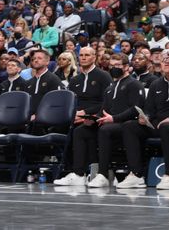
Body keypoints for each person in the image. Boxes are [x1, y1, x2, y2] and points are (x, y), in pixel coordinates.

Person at [56, 53, 143, 187]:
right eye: (112, 65)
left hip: (126, 124)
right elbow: (103, 110)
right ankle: (78, 174)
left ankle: (103, 174)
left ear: (127, 67)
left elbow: (135, 109)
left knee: (105, 130)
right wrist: (93, 119)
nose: (114, 68)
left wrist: (113, 118)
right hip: (109, 122)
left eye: (118, 65)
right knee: (81, 131)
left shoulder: (134, 84)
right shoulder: (110, 88)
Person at [118, 53, 169, 189]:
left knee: (167, 127)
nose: (165, 63)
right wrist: (145, 116)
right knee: (129, 126)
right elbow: (149, 108)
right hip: (156, 123)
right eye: (163, 61)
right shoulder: (156, 84)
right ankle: (136, 175)